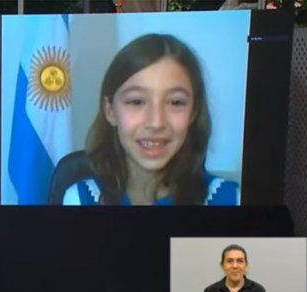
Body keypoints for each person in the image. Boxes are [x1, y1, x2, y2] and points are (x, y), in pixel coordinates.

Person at [61, 34, 239, 206]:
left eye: (175, 102)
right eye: (136, 101)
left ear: (193, 112)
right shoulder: (79, 198)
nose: (156, 123)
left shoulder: (233, 199)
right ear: (111, 111)